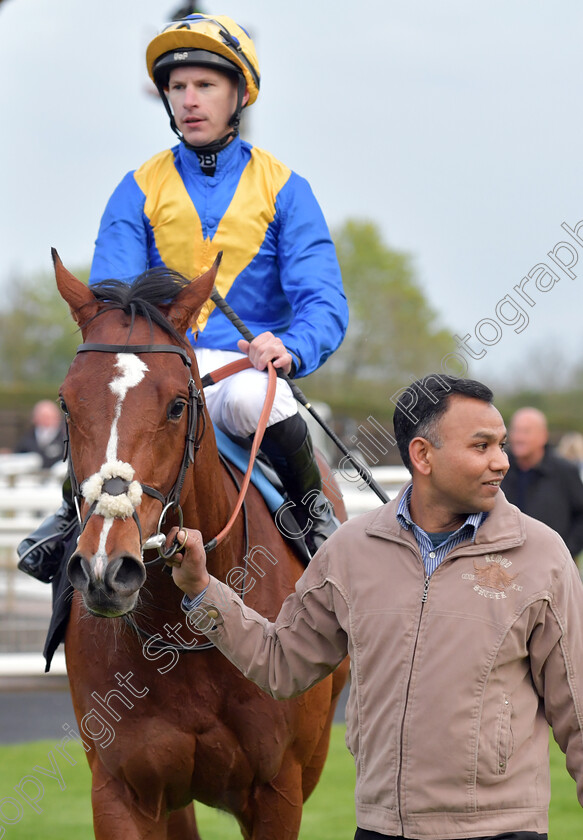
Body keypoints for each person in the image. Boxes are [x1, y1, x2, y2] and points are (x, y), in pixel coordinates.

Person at [168, 374, 583, 840]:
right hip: (381, 827)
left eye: (502, 445)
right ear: (422, 455)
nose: (501, 462)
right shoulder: (350, 550)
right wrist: (203, 589)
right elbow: (280, 664)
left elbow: (578, 709)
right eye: (482, 446)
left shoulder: (542, 554)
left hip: (503, 829)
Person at [18, 13, 348, 583]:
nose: (189, 100)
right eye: (177, 87)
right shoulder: (137, 187)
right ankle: (72, 514)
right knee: (101, 400)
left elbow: (324, 301)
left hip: (243, 366)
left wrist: (290, 347)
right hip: (159, 366)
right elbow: (112, 299)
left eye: (205, 85)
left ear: (240, 94)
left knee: (251, 401)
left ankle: (314, 517)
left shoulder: (286, 189)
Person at [501, 406, 583, 559]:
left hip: (552, 564)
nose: (519, 437)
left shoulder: (564, 471)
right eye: (516, 430)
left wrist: (566, 551)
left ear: (543, 436)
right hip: (506, 563)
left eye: (526, 432)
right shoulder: (499, 467)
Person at [15, 400, 65, 469]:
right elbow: (18, 455)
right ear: (34, 419)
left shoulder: (65, 439)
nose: (46, 421)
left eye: (49, 417)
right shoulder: (27, 438)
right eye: (43, 417)